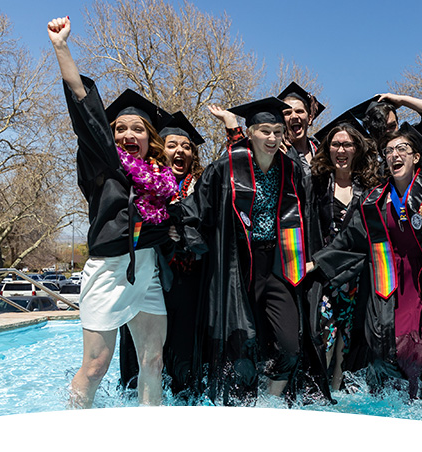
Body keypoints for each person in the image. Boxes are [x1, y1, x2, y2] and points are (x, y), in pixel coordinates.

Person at [48, 16, 178, 408]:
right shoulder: (103, 162)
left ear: (149, 138)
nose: (127, 135)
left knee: (153, 360)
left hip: (147, 269)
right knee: (95, 366)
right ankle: (73, 428)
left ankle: (149, 432)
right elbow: (85, 108)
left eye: (137, 128)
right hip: (108, 271)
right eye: (119, 128)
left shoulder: (159, 178)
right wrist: (61, 48)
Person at [183, 96, 330, 405]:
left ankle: (272, 403)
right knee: (242, 343)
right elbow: (197, 209)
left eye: (278, 131)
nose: (273, 137)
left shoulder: (291, 170)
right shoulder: (227, 165)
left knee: (291, 344)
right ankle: (242, 408)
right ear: (249, 132)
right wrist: (195, 243)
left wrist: (313, 260)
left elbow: (308, 217)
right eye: (265, 130)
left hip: (279, 262)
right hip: (238, 264)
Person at [312, 123, 422, 399]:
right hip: (385, 282)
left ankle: (417, 407)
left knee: (414, 350)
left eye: (402, 149)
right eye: (389, 150)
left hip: (421, 281)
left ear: (416, 157)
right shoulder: (373, 200)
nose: (394, 155)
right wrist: (317, 262)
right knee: (382, 349)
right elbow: (349, 240)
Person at [118, 111, 208, 400]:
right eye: (172, 145)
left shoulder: (203, 187)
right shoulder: (143, 184)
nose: (179, 151)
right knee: (143, 350)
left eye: (186, 146)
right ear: (161, 149)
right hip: (149, 275)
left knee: (183, 347)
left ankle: (183, 401)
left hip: (188, 283)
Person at [309, 111, 381, 391]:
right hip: (323, 272)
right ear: (328, 149)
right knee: (323, 332)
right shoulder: (316, 183)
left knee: (346, 337)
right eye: (336, 144)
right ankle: (319, 392)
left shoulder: (369, 187)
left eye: (347, 145)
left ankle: (337, 393)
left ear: (357, 149)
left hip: (355, 274)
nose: (341, 150)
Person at [348, 94, 422, 145]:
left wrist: (402, 100)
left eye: (392, 126)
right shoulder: (365, 155)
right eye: (382, 129)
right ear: (371, 130)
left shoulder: (411, 141)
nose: (389, 132)